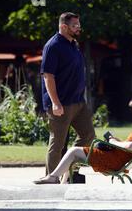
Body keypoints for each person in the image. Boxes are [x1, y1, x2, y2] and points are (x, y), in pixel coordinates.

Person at [33, 105, 132, 184]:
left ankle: (54, 177)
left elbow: (131, 147)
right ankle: (61, 182)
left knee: (73, 151)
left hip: (113, 160)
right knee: (74, 154)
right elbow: (129, 146)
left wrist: (112, 142)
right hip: (114, 156)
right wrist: (115, 140)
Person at [37, 12, 95, 179]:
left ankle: (69, 171)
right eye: (75, 25)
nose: (78, 28)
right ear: (63, 27)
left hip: (78, 102)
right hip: (61, 103)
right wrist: (55, 103)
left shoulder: (73, 44)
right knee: (57, 143)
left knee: (88, 136)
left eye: (78, 24)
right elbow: (48, 76)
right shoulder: (53, 46)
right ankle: (52, 178)